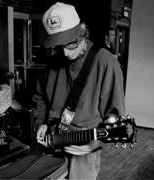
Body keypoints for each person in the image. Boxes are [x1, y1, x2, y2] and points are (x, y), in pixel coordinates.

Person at [32, 2, 125, 179]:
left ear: (82, 33)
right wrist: (41, 122)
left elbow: (114, 115)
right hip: (52, 142)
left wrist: (95, 143)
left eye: (71, 44)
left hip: (83, 149)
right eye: (59, 46)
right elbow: (40, 97)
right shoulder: (54, 61)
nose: (65, 53)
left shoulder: (105, 62)